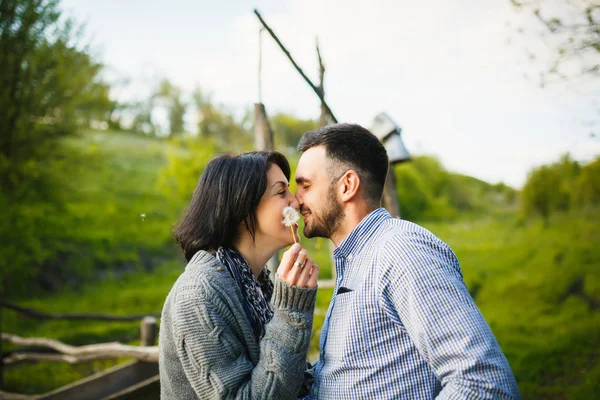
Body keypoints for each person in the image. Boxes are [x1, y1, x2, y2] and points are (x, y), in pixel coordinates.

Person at [294, 123, 520, 399]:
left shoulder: (400, 251)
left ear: (347, 186)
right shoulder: (358, 259)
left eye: (305, 185)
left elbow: (482, 382)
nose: (296, 200)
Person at [159, 151, 320, 399]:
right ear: (243, 207)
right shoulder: (199, 294)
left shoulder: (257, 283)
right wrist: (291, 311)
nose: (296, 202)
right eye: (281, 192)